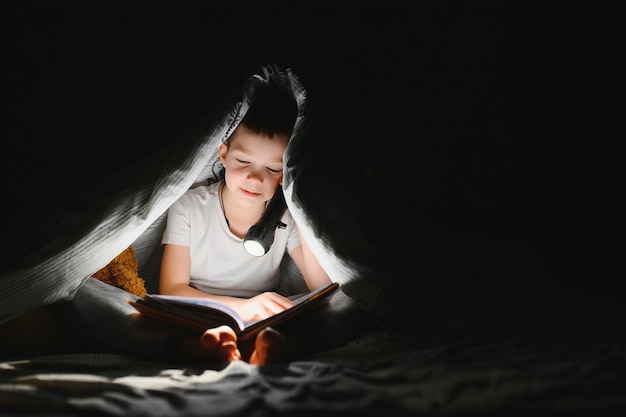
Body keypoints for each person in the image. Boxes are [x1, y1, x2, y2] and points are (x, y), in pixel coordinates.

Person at [158, 65, 360, 364]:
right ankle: (206, 346)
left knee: (347, 309)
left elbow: (321, 286)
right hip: (197, 311)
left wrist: (299, 202)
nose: (255, 179)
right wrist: (244, 307)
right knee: (138, 318)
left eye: (273, 168)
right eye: (243, 161)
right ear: (223, 155)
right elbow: (172, 289)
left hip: (261, 319)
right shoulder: (190, 207)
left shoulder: (285, 217)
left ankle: (270, 347)